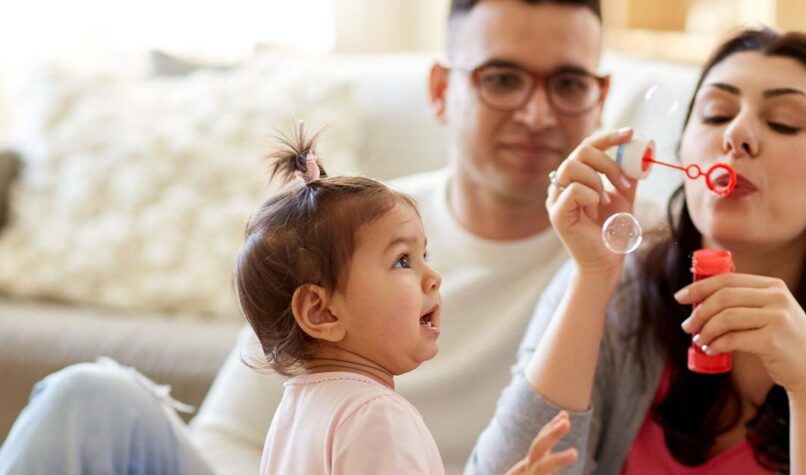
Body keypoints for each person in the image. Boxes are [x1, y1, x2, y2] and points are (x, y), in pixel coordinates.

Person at [0, 1, 613, 474]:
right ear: (440, 89)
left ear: (601, 97)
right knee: (90, 395)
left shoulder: (618, 262)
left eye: (567, 84)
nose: (536, 115)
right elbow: (228, 439)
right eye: (501, 79)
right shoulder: (352, 230)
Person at [468, 27, 806, 474]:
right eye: (716, 115)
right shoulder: (616, 286)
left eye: (783, 122)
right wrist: (593, 279)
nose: (737, 135)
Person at [240, 127, 576, 474]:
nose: (434, 277)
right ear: (322, 311)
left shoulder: (296, 412)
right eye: (403, 261)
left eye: (424, 255)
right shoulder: (376, 414)